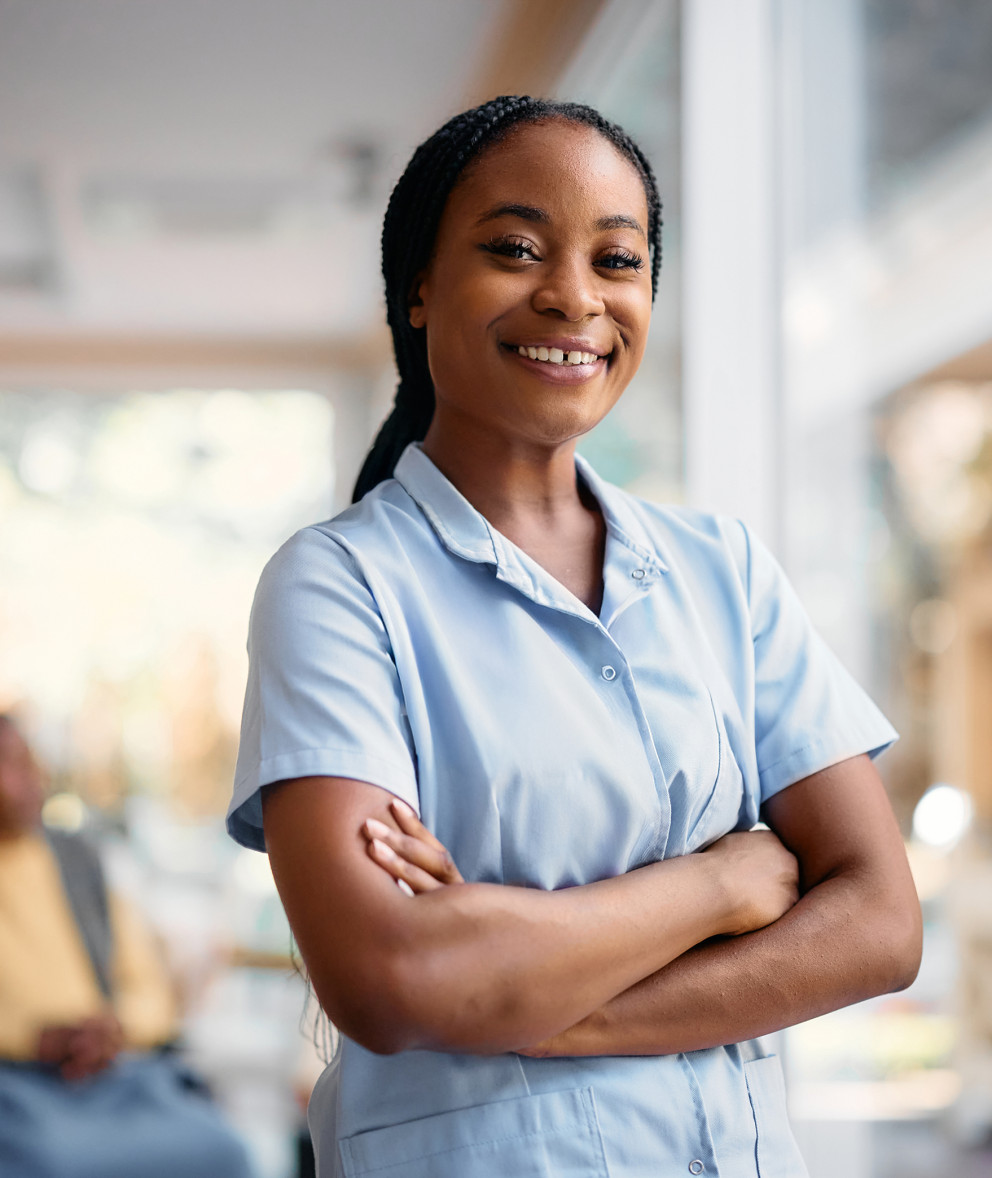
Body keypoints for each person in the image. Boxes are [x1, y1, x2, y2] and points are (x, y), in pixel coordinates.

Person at [227, 96, 922, 1178]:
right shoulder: (338, 585)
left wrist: (531, 998)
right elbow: (390, 978)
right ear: (418, 287)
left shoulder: (723, 571)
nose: (573, 296)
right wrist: (722, 887)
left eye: (616, 260)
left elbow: (878, 924)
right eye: (515, 249)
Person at [0, 714, 254, 1178]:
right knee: (50, 1162)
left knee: (222, 1149)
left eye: (33, 762)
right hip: (16, 1083)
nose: (35, 777)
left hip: (112, 1074)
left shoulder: (79, 861)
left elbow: (150, 991)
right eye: (14, 764)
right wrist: (28, 1040)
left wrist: (111, 1030)